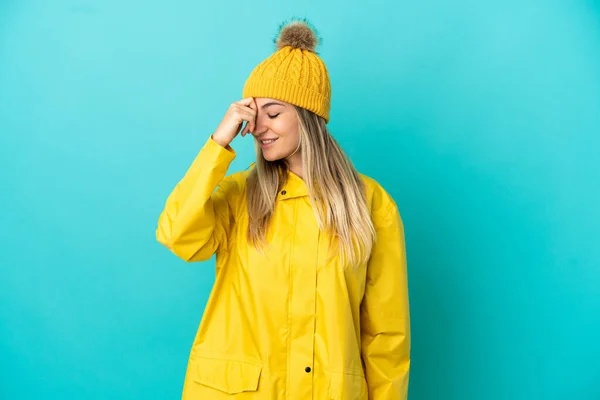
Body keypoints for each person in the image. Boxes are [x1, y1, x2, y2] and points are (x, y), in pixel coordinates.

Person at [156, 16, 411, 400]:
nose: (259, 127)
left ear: (309, 118)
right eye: (253, 115)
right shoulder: (239, 195)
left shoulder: (371, 204)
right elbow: (176, 234)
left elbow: (386, 334)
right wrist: (218, 144)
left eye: (273, 113)